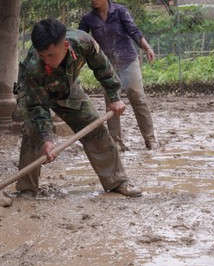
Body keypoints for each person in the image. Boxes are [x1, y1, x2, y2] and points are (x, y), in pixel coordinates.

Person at [15, 18, 142, 198]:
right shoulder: (33, 67)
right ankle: (26, 190)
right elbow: (38, 106)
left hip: (67, 88)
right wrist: (47, 138)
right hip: (33, 93)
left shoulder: (83, 42)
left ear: (65, 45)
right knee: (33, 133)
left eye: (51, 55)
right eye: (42, 56)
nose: (46, 60)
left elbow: (102, 66)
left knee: (96, 130)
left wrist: (114, 97)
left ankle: (117, 181)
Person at [78, 0, 157, 151]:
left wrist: (147, 48)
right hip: (107, 68)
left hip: (128, 62)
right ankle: (116, 142)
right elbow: (81, 39)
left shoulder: (120, 11)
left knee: (138, 100)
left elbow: (133, 31)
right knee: (112, 104)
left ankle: (150, 139)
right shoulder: (88, 19)